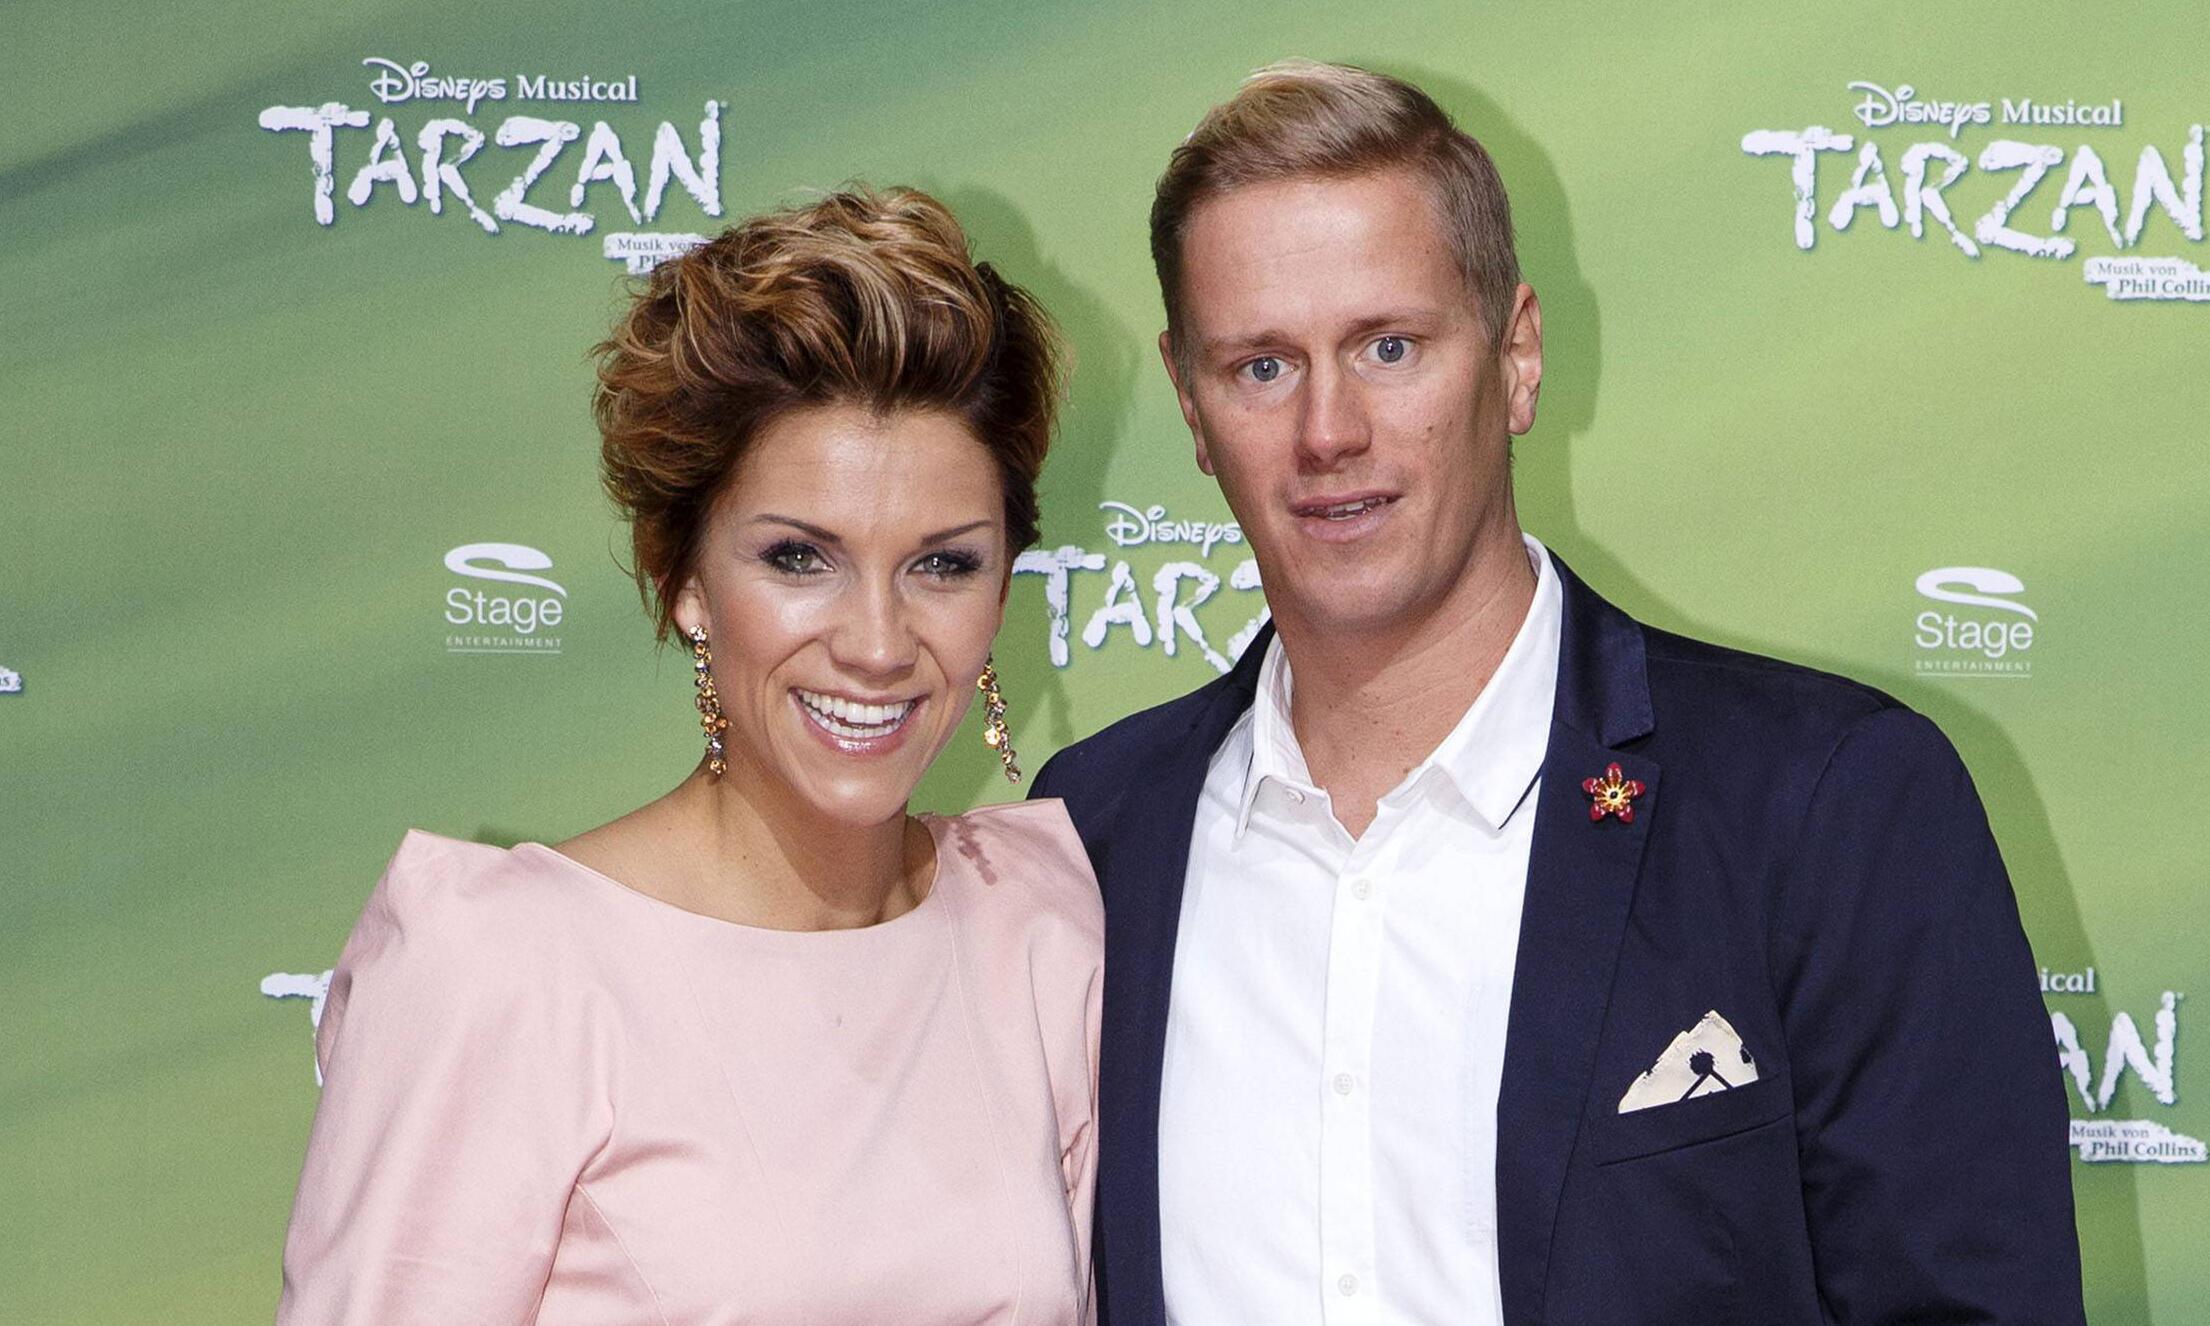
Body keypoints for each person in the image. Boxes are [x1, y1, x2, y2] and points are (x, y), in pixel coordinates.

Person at [1031, 61, 2084, 1325]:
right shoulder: (1093, 837)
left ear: (1516, 356)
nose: (1327, 431)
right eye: (1260, 366)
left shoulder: (1825, 806)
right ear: (1191, 408)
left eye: (1387, 347)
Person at [279, 187, 1102, 1324]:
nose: (876, 643)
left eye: (942, 565)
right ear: (684, 580)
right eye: (799, 558)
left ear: (1003, 587)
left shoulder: (1038, 926)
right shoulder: (508, 972)